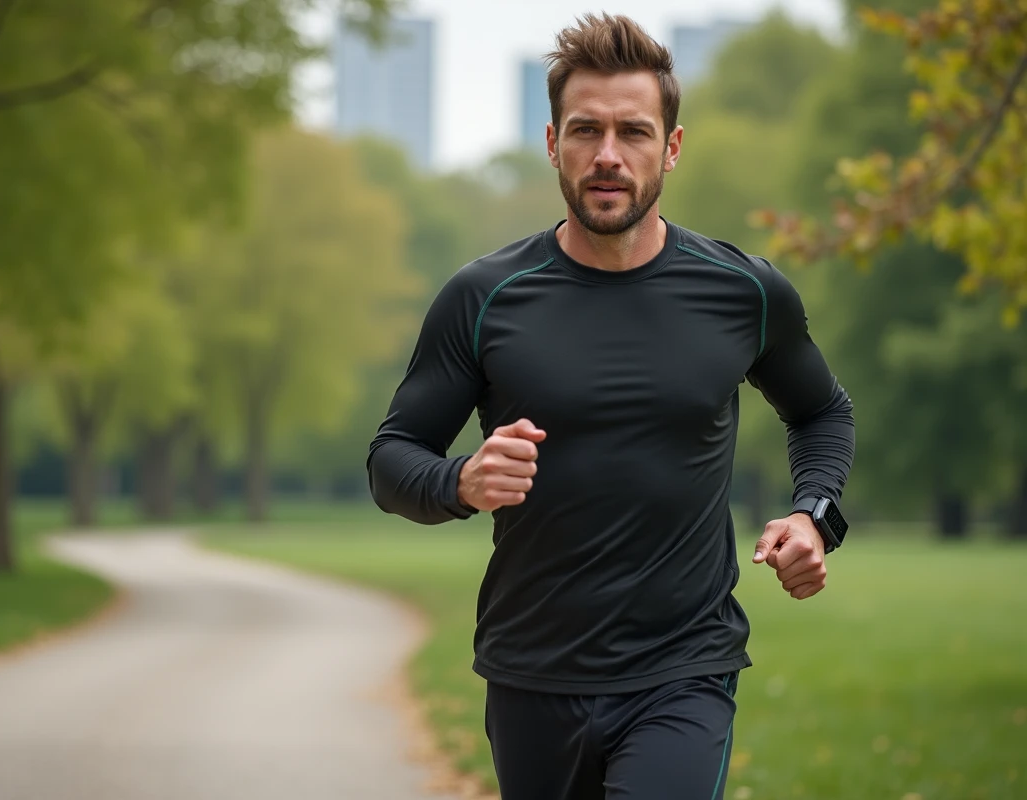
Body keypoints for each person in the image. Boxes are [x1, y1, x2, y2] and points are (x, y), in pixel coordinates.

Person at [366, 12, 855, 800]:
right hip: (531, 672)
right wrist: (460, 480)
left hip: (683, 671)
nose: (607, 155)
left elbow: (822, 412)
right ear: (554, 141)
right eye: (586, 130)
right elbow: (391, 460)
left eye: (633, 131)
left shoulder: (744, 293)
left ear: (671, 147)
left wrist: (813, 514)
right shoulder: (483, 298)